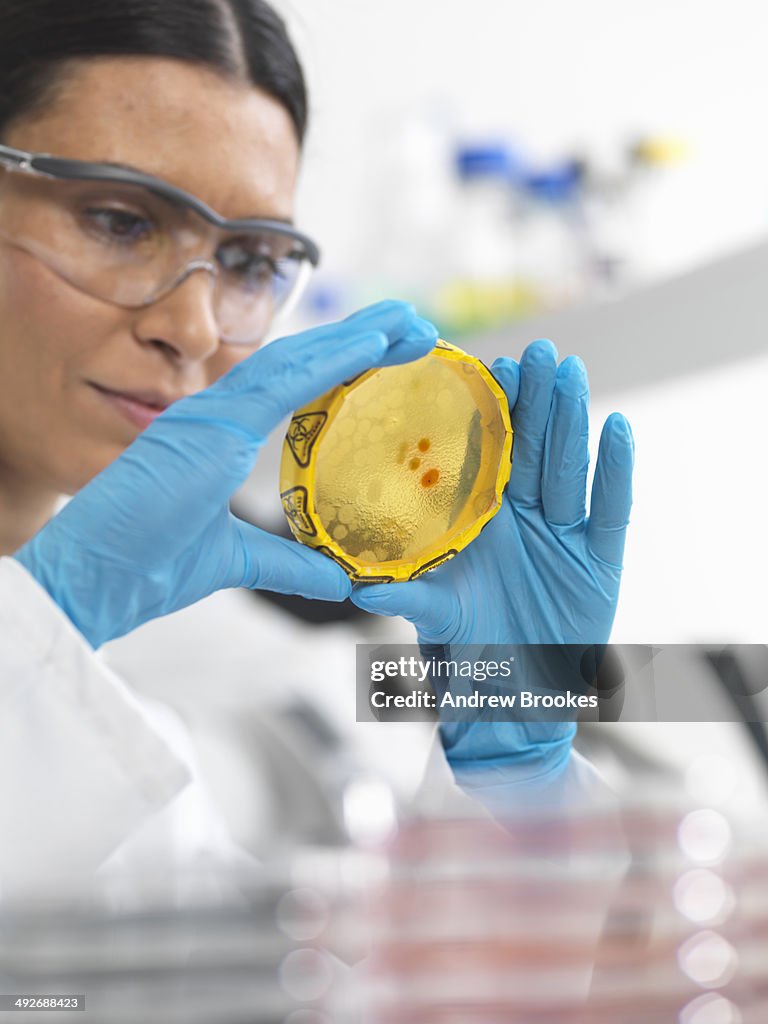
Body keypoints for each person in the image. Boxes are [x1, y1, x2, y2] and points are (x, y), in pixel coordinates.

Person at [0, 0, 634, 894]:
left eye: (252, 262)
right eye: (118, 221)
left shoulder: (125, 761)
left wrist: (509, 768)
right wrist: (42, 624)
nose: (194, 325)